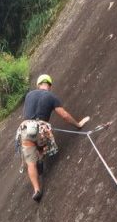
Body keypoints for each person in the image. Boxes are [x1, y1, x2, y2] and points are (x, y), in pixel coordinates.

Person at [16, 74, 90, 202]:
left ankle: (36, 190)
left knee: (30, 163)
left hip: (26, 128)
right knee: (43, 144)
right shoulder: (51, 96)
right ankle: (40, 155)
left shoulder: (29, 95)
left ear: (38, 85)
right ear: (49, 86)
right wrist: (78, 124)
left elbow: (27, 114)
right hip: (41, 129)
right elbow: (64, 115)